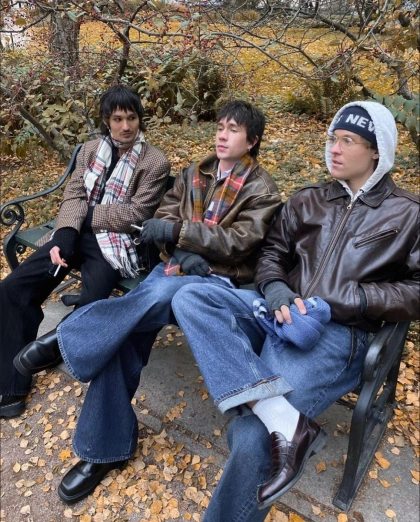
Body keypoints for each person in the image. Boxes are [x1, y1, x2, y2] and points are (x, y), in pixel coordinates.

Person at [13, 100, 283, 504]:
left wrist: (181, 238)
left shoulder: (262, 190)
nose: (222, 135)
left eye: (233, 130)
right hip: (174, 269)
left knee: (154, 297)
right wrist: (180, 250)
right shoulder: (194, 173)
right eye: (220, 127)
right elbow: (160, 220)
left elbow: (238, 243)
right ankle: (104, 449)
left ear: (252, 140)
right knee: (125, 332)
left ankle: (69, 337)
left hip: (218, 286)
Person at [171, 101, 420, 520]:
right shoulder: (309, 200)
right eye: (333, 139)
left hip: (337, 333)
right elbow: (273, 253)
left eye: (348, 141)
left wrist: (358, 298)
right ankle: (283, 417)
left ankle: (270, 423)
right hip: (278, 311)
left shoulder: (408, 214)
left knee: (252, 438)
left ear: (377, 151)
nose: (334, 149)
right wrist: (276, 290)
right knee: (191, 297)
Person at [0, 84, 171, 418]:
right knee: (13, 288)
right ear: (106, 120)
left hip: (115, 243)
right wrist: (65, 234)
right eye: (118, 119)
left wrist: (83, 218)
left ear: (140, 119)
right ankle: (10, 383)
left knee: (91, 305)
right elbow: (74, 194)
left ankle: (51, 348)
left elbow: (136, 214)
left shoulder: (154, 161)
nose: (125, 126)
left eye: (131, 118)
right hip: (74, 235)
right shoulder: (90, 150)